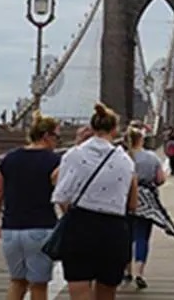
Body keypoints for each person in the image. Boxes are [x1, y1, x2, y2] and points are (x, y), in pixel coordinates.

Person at [52, 103, 138, 300]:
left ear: (91, 127)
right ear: (114, 129)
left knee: (79, 287)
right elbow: (133, 205)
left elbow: (61, 195)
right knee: (107, 291)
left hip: (80, 225)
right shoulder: (125, 161)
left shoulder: (73, 155)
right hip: (114, 229)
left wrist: (72, 215)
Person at [0, 111, 62, 300]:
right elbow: (62, 194)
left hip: (11, 230)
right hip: (41, 227)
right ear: (46, 136)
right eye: (56, 137)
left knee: (17, 281)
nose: (58, 142)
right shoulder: (54, 161)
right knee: (38, 286)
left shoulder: (9, 159)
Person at [124, 124, 166, 289]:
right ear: (142, 139)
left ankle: (126, 271)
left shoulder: (121, 156)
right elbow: (160, 179)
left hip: (124, 198)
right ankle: (139, 272)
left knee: (125, 236)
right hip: (145, 201)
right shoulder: (152, 157)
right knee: (142, 236)